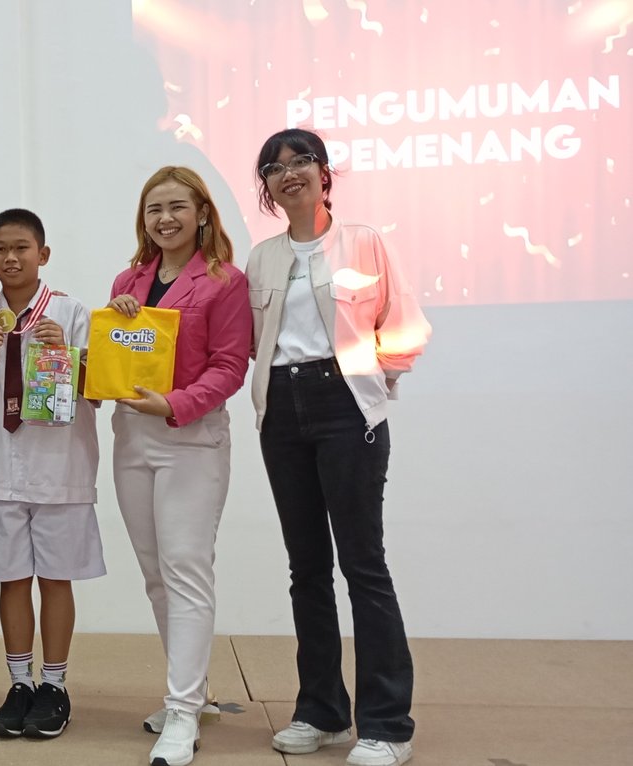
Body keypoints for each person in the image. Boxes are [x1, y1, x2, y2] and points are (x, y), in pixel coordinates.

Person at [247, 128, 430, 766]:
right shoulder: (262, 258)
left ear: (325, 174)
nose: (288, 173)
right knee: (306, 570)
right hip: (280, 410)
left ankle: (386, 724)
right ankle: (321, 711)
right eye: (274, 167)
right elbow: (252, 340)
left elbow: (402, 324)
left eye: (301, 162)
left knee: (363, 566)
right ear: (266, 188)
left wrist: (373, 385)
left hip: (344, 406)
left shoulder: (365, 242)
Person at [106, 166, 252, 766]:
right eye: (153, 209)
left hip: (190, 440)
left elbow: (230, 366)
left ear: (201, 214)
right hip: (131, 441)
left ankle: (184, 711)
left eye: (175, 207)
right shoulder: (129, 280)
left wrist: (175, 404)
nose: (164, 219)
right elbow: (118, 359)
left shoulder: (225, 282)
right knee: (155, 574)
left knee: (187, 570)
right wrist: (109, 339)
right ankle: (191, 692)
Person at [0, 209, 105, 740]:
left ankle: (55, 684)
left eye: (21, 247)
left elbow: (98, 390)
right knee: (12, 578)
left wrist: (62, 354)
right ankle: (19, 682)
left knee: (56, 576)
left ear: (42, 254)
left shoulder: (72, 314)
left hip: (62, 469)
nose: (10, 257)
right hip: (2, 469)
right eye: (0, 248)